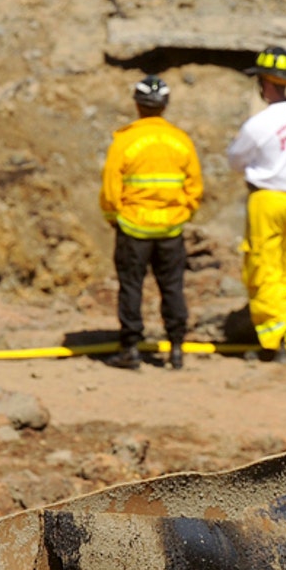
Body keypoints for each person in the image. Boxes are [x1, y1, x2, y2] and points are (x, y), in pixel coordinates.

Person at [98, 75, 203, 370]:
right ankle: (177, 347)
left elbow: (110, 189)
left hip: (133, 227)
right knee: (172, 286)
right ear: (165, 105)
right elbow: (194, 188)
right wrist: (183, 214)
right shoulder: (181, 141)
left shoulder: (125, 140)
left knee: (131, 287)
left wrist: (113, 217)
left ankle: (130, 347)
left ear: (137, 104)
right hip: (171, 229)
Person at [226, 47, 286, 362]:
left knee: (263, 266)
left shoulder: (259, 124)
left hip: (266, 198)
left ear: (264, 84)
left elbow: (236, 160)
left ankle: (271, 337)